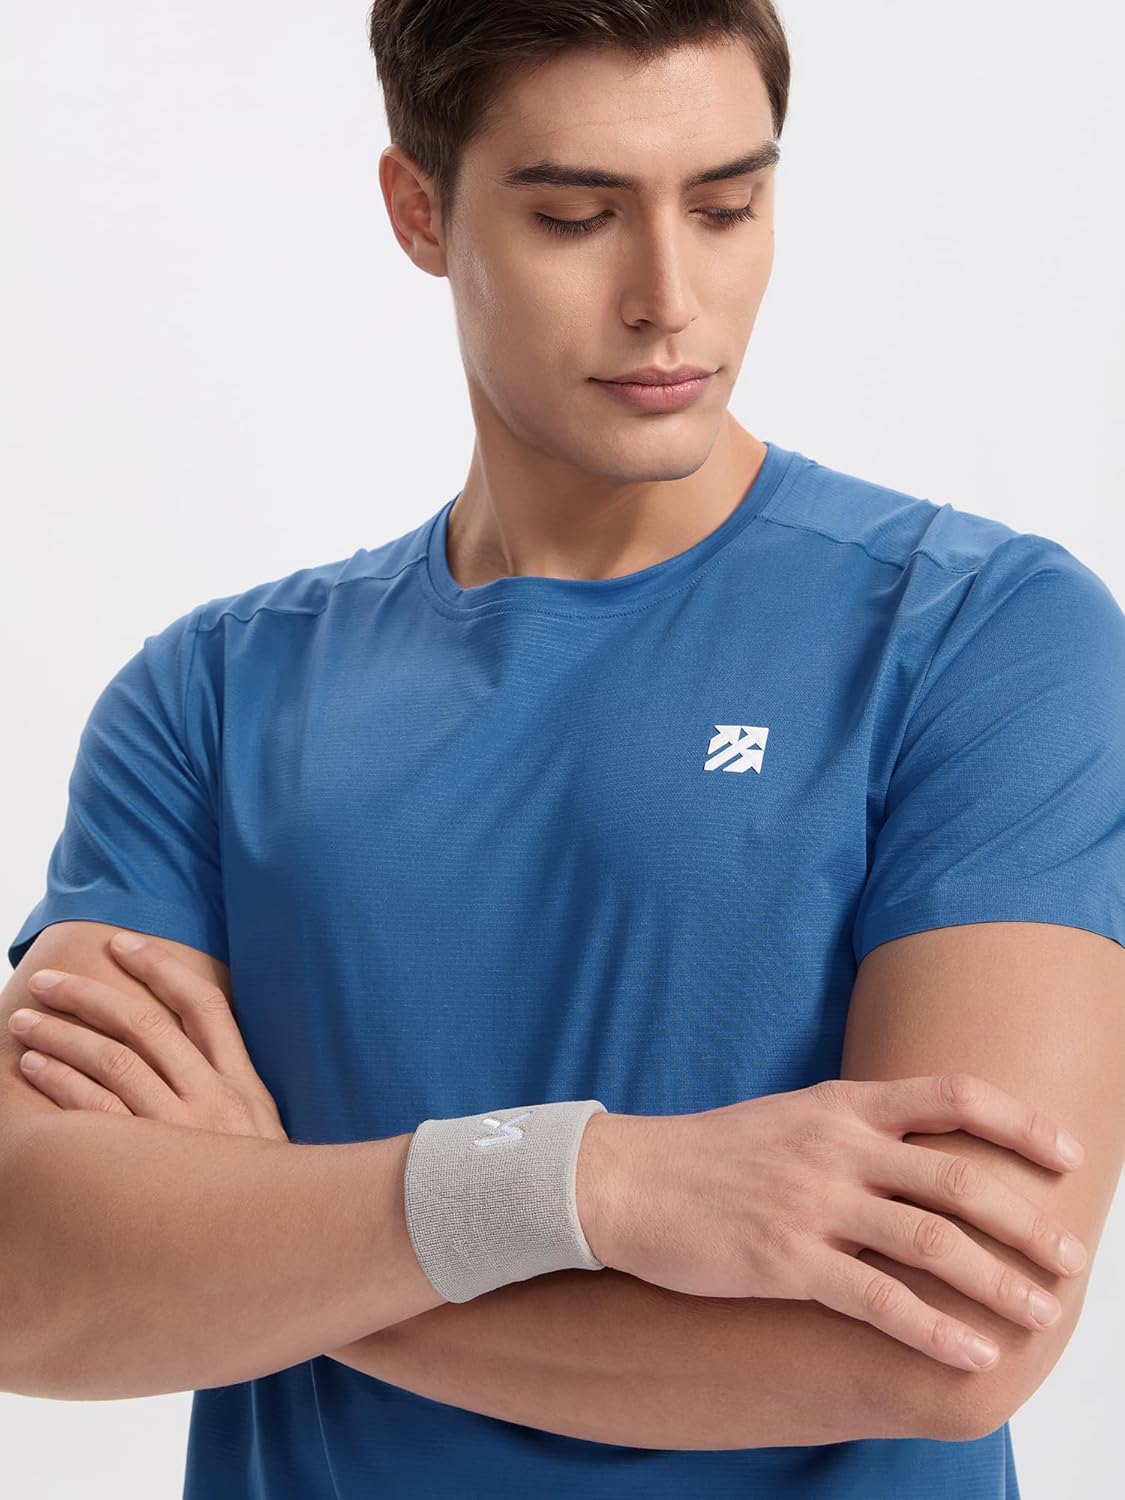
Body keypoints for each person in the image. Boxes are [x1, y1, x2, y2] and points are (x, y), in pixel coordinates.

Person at [6, 3, 1123, 1496]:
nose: (669, 298)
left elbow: (952, 1332)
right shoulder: (209, 698)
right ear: (420, 210)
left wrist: (278, 1241)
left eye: (725, 206)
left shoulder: (983, 635)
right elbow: (31, 1277)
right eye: (576, 217)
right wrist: (589, 1181)